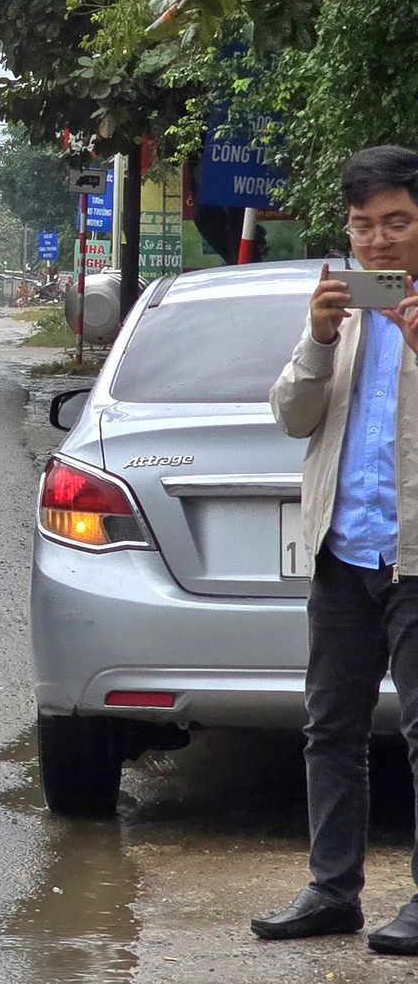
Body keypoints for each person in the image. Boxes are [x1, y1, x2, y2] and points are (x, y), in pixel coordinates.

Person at [256, 145, 418, 953]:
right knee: (330, 727)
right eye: (364, 225)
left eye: (397, 222)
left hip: (414, 557)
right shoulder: (343, 310)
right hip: (342, 549)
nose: (379, 240)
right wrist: (317, 338)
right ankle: (332, 889)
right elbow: (291, 413)